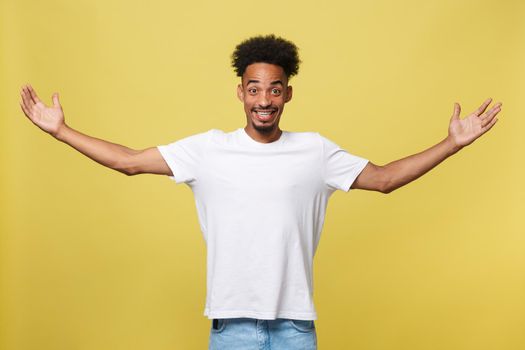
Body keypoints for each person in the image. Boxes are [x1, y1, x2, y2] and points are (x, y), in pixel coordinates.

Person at [19, 34, 501, 350]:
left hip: (295, 327)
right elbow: (127, 162)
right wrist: (63, 131)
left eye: (274, 90)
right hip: (231, 327)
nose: (264, 100)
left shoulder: (315, 152)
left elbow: (386, 178)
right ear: (240, 92)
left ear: (288, 93)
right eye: (254, 89)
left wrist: (452, 144)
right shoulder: (207, 150)